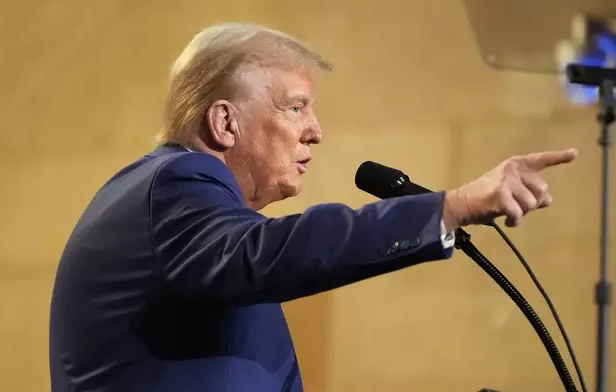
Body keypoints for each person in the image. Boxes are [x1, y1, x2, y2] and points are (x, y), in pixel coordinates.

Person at [49, 23, 578, 392]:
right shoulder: (178, 181)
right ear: (225, 123)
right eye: (295, 106)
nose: (315, 131)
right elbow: (268, 254)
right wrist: (452, 206)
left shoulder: (161, 199)